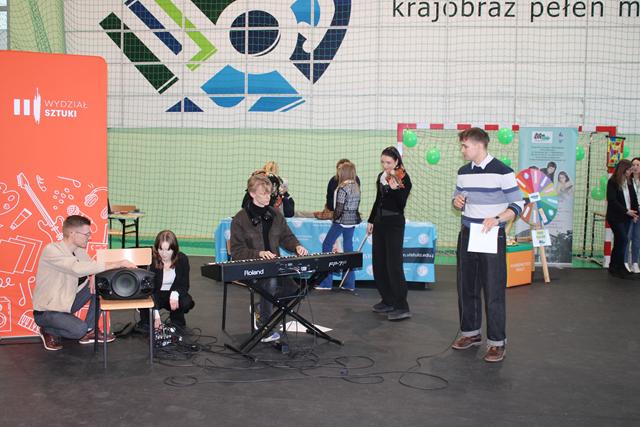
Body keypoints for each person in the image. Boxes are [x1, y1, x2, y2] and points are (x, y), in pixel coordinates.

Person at [451, 128, 524, 363]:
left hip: (491, 235)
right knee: (466, 287)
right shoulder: (463, 172)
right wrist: (457, 201)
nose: (462, 150)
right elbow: (457, 200)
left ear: (479, 145)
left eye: (465, 146)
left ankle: (496, 343)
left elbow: (518, 204)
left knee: (493, 290)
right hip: (467, 234)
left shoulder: (503, 171)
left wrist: (498, 219)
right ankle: (470, 333)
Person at [32, 215, 137, 351]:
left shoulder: (79, 251)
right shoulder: (52, 250)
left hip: (67, 303)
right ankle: (47, 330)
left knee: (100, 284)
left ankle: (91, 330)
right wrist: (118, 263)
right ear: (72, 233)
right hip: (47, 311)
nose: (89, 237)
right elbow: (76, 268)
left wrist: (94, 276)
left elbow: (92, 266)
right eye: (86, 234)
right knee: (79, 330)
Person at [231, 174, 309, 342]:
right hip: (251, 267)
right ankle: (264, 326)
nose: (268, 197)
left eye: (269, 193)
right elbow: (236, 252)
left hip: (273, 265)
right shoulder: (240, 219)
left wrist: (297, 246)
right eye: (263, 193)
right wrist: (259, 253)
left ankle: (260, 308)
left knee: (296, 290)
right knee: (271, 281)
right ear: (252, 194)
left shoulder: (275, 215)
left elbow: (287, 237)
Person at [367, 146, 412, 321]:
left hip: (394, 224)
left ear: (397, 162)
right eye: (383, 162)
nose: (385, 166)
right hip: (380, 223)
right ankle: (387, 300)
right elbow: (378, 200)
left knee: (394, 265)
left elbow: (401, 205)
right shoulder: (381, 177)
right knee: (379, 264)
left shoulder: (404, 178)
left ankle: (402, 306)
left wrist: (396, 189)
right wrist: (371, 220)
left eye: (389, 162)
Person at [316, 161, 361, 291]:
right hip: (352, 222)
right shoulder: (356, 186)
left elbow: (339, 208)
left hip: (341, 221)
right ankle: (349, 284)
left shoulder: (342, 188)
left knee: (327, 245)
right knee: (348, 250)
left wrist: (334, 218)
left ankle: (326, 282)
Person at [138, 230, 195, 331]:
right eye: (161, 249)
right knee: (147, 325)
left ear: (174, 249)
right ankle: (147, 320)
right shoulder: (151, 261)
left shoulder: (182, 259)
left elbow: (184, 285)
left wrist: (175, 293)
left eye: (168, 250)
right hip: (155, 294)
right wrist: (156, 315)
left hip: (171, 294)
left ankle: (177, 321)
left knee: (185, 301)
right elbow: (149, 290)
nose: (164, 254)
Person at [606, 159, 639, 279]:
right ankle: (618, 266)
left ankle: (615, 267)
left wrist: (635, 214)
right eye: (629, 170)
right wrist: (626, 211)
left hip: (627, 217)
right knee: (624, 240)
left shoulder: (629, 182)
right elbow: (612, 200)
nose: (631, 172)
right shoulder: (613, 182)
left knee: (620, 242)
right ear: (623, 170)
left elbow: (633, 199)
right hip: (615, 217)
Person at [627, 158, 640, 273]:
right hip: (629, 212)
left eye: (638, 165)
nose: (635, 167)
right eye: (633, 165)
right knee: (627, 237)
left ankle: (635, 262)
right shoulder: (627, 181)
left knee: (637, 238)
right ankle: (625, 262)